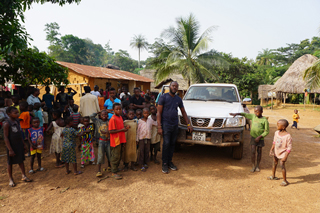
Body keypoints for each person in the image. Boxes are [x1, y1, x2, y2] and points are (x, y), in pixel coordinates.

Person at [157, 81, 193, 174]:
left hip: (175, 125)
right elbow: (159, 113)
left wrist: (188, 124)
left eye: (176, 86)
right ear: (169, 86)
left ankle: (170, 162)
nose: (174, 87)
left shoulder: (178, 99)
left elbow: (183, 112)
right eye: (173, 86)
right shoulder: (163, 97)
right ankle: (164, 164)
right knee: (166, 144)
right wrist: (159, 126)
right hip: (166, 125)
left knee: (173, 144)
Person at [230, 105, 269, 172]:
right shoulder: (253, 116)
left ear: (262, 112)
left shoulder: (264, 120)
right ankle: (253, 165)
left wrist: (259, 137)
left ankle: (257, 166)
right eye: (255, 111)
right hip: (253, 137)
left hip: (260, 139)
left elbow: (267, 131)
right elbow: (245, 114)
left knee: (259, 152)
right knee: (253, 151)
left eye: (258, 112)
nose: (256, 113)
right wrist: (236, 114)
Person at [4, 106, 32, 187]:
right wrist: (10, 149)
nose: (17, 114)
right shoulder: (7, 124)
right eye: (15, 113)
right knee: (10, 162)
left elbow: (20, 134)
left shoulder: (17, 121)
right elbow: (5, 137)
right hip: (11, 146)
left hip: (19, 144)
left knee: (21, 160)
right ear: (9, 114)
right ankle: (10, 179)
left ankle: (24, 175)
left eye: (17, 112)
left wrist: (24, 145)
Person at [108, 103, 130, 180]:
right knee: (115, 156)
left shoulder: (120, 117)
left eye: (120, 109)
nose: (118, 110)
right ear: (113, 110)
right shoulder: (112, 119)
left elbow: (120, 128)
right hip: (115, 140)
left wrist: (125, 128)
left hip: (120, 139)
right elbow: (111, 131)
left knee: (119, 155)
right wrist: (122, 130)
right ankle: (113, 172)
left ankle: (116, 168)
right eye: (116, 109)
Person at [268, 119, 292, 186]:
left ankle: (285, 181)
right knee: (274, 163)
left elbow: (289, 147)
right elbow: (274, 142)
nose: (277, 126)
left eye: (278, 125)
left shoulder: (288, 136)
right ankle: (273, 176)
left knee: (282, 165)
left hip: (283, 153)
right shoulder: (276, 133)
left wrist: (285, 156)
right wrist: (271, 149)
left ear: (283, 127)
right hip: (276, 151)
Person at [89, 110, 111, 177]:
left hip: (109, 141)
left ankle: (109, 166)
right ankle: (99, 171)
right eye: (102, 115)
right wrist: (98, 112)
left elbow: (116, 117)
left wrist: (110, 112)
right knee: (100, 156)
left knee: (109, 154)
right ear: (100, 116)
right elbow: (91, 116)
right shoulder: (97, 121)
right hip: (101, 141)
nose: (104, 116)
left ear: (107, 115)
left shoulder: (109, 121)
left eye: (105, 115)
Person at [137, 108, 152, 172]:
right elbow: (138, 131)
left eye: (147, 113)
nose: (146, 114)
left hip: (148, 137)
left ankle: (145, 162)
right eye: (145, 113)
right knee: (141, 151)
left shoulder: (150, 120)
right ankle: (141, 164)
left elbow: (154, 125)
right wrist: (137, 139)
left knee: (147, 150)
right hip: (141, 138)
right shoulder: (140, 121)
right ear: (142, 113)